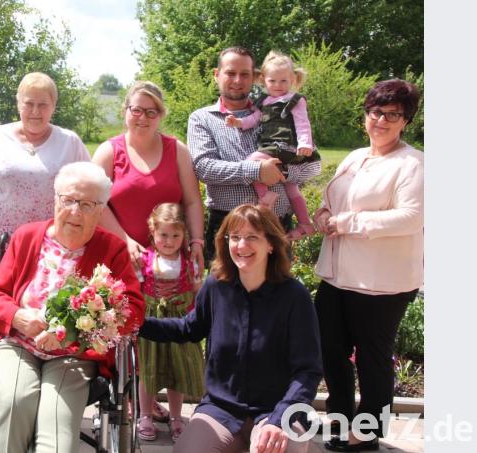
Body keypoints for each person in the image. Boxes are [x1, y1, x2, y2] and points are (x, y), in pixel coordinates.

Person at [0, 162, 145, 453]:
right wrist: (17, 316)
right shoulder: (27, 236)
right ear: (55, 200)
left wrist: (71, 331)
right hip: (18, 344)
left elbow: (132, 311)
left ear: (101, 209)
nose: (75, 211)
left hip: (74, 355)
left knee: (57, 431)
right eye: (68, 200)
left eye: (87, 204)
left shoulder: (113, 249)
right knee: (12, 402)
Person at [140, 204, 322, 453]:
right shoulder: (216, 286)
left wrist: (281, 420)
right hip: (221, 409)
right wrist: (136, 324)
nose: (241, 245)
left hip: (277, 409)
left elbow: (308, 371)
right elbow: (189, 328)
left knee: (285, 449)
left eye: (252, 237)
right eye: (235, 237)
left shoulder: (295, 297)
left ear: (270, 244)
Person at [313, 79, 423, 452]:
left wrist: (346, 223)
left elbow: (410, 217)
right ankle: (341, 418)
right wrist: (325, 211)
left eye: (393, 114)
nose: (382, 120)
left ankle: (369, 431)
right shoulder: (356, 156)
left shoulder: (413, 164)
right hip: (336, 276)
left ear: (405, 120)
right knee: (330, 350)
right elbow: (336, 198)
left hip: (380, 284)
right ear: (366, 115)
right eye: (376, 111)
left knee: (373, 358)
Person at [92, 80, 205, 425]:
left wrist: (197, 242)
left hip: (170, 264)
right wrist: (125, 238)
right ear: (126, 111)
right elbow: (96, 202)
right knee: (124, 332)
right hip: (122, 257)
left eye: (151, 111)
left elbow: (191, 200)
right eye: (136, 109)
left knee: (165, 336)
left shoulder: (177, 150)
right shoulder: (110, 152)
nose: (142, 117)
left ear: (160, 115)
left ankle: (156, 403)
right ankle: (127, 400)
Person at [187, 46, 321, 263]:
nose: (237, 80)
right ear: (216, 74)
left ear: (255, 77)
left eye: (245, 74)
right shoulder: (202, 119)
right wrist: (257, 171)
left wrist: (281, 171)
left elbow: (313, 166)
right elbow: (205, 168)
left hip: (276, 226)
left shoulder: (279, 111)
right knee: (225, 294)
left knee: (275, 294)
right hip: (227, 225)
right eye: (230, 73)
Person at [0, 72, 90, 275]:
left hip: (55, 246)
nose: (35, 111)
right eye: (28, 103)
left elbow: (88, 195)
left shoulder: (70, 142)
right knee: (4, 303)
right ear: (18, 104)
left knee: (49, 301)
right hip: (4, 245)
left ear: (53, 106)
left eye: (43, 104)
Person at [226, 50, 320, 241]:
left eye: (283, 81)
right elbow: (254, 119)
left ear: (292, 79)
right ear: (263, 80)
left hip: (285, 146)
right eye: (272, 81)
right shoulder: (263, 102)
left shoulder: (294, 100)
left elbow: (303, 123)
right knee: (292, 187)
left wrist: (305, 143)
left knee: (254, 163)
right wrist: (239, 123)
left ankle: (266, 196)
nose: (278, 86)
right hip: (275, 149)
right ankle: (305, 223)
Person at [136, 203, 205, 443]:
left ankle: (176, 417)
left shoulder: (189, 262)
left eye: (176, 235)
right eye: (163, 234)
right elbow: (136, 289)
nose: (169, 240)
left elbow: (197, 292)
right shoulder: (144, 259)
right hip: (152, 324)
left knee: (177, 371)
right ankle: (145, 415)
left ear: (184, 234)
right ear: (152, 231)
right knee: (148, 370)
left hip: (179, 324)